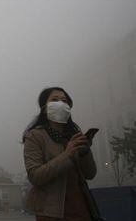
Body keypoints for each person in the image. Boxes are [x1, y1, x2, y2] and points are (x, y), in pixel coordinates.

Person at [23, 87, 101, 221]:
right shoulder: (35, 136)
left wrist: (84, 152)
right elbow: (35, 176)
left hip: (83, 210)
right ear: (44, 107)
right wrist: (68, 154)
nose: (60, 103)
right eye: (55, 100)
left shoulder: (73, 136)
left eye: (64, 101)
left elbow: (90, 174)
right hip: (52, 213)